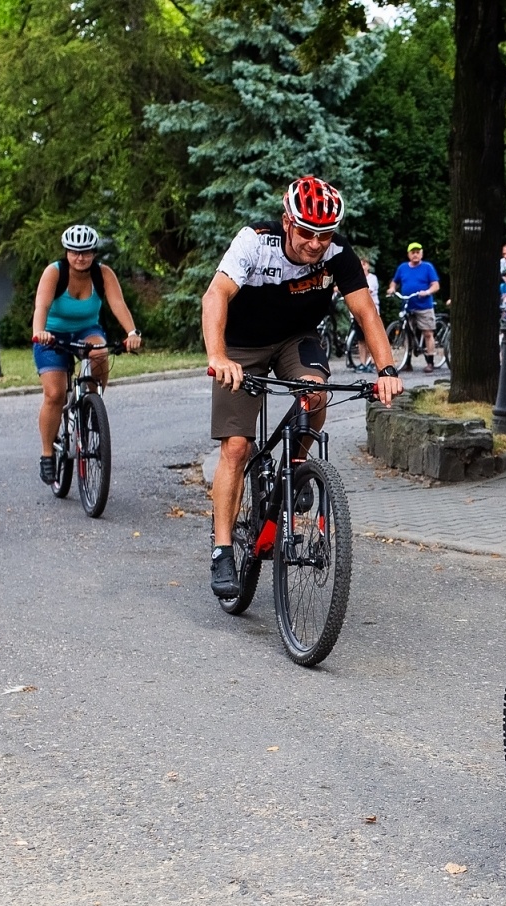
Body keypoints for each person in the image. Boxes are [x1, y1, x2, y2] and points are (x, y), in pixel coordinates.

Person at [201, 176, 403, 598]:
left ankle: (296, 467)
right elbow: (216, 294)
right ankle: (222, 548)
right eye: (307, 232)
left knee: (316, 392)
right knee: (236, 446)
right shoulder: (254, 242)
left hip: (297, 338)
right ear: (287, 222)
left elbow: (365, 312)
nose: (315, 243)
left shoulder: (337, 254)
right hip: (241, 344)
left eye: (324, 234)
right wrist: (218, 356)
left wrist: (386, 371)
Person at [29, 224, 143, 484]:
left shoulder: (103, 274)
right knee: (55, 394)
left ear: (93, 253)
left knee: (100, 353)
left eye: (86, 252)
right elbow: (41, 305)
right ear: (67, 253)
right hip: (52, 334)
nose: (80, 258)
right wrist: (39, 332)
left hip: (87, 331)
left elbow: (117, 303)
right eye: (75, 252)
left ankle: (92, 403)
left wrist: (132, 332)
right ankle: (47, 454)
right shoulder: (54, 273)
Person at [386, 241, 442, 370]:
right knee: (408, 333)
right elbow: (394, 282)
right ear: (408, 254)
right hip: (408, 305)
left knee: (427, 333)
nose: (415, 255)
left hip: (424, 305)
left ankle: (430, 362)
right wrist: (392, 289)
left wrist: (427, 292)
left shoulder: (427, 267)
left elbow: (436, 285)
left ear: (421, 254)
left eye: (418, 252)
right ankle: (407, 362)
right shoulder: (402, 268)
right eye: (413, 252)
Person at [353, 256, 381, 371]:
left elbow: (367, 291)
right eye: (360, 265)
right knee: (361, 340)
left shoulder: (372, 278)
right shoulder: (355, 278)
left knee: (371, 338)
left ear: (368, 266)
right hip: (357, 313)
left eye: (364, 264)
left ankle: (374, 363)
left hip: (370, 314)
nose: (362, 267)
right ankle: (363, 363)